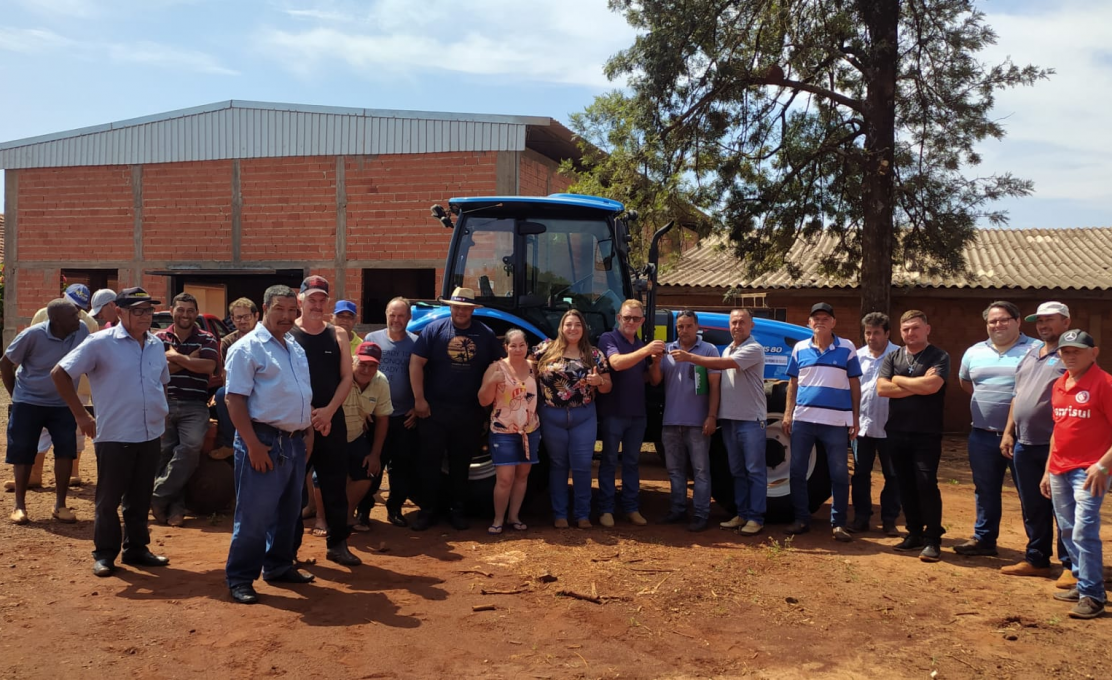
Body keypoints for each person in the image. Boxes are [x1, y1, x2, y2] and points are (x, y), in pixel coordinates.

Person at [51, 288, 171, 577]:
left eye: (149, 311)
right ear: (119, 312)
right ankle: (105, 553)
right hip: (115, 433)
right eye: (138, 311)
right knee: (109, 499)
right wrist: (81, 414)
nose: (145, 317)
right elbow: (60, 373)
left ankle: (137, 548)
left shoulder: (155, 345)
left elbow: (162, 381)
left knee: (140, 497)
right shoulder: (100, 343)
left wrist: (160, 411)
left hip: (150, 432)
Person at [223, 285, 316, 604]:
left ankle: (277, 566)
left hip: (294, 443)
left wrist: (307, 434)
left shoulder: (295, 347)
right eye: (280, 309)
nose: (288, 316)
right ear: (264, 309)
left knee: (288, 513)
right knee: (254, 515)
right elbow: (234, 400)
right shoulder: (248, 348)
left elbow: (303, 395)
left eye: (293, 311)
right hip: (262, 440)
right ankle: (240, 578)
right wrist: (252, 445)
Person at [409, 287, 502, 531]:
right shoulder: (434, 330)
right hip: (434, 410)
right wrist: (419, 399)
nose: (461, 311)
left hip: (469, 411)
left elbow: (498, 366)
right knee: (429, 462)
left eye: (465, 307)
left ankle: (457, 511)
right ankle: (428, 511)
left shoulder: (485, 334)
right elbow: (416, 363)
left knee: (461, 465)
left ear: (472, 309)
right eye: (456, 306)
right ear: (450, 307)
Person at [1000, 302, 1074, 585]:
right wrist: (1009, 432)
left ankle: (1071, 565)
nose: (1043, 326)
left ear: (1066, 322)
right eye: (1039, 321)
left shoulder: (1070, 355)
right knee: (1032, 504)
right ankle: (1037, 559)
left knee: (1062, 506)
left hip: (1057, 445)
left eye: (1050, 320)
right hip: (1024, 443)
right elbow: (1018, 396)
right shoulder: (1031, 354)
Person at [1040, 330, 1111, 620]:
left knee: (1084, 531)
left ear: (1093, 352)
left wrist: (1104, 466)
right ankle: (1082, 583)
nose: (1069, 355)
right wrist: (1047, 470)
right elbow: (1059, 430)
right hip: (1059, 469)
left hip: (1091, 470)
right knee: (1068, 530)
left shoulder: (1105, 384)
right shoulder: (1060, 384)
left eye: (1076, 351)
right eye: (1065, 351)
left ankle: (1093, 595)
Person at [289, 275, 359, 567]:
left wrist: (329, 411)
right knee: (292, 488)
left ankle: (338, 544)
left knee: (333, 485)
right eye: (311, 299)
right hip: (296, 423)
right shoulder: (288, 334)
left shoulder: (338, 335)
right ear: (300, 300)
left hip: (331, 420)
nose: (317, 305)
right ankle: (288, 551)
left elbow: (347, 378)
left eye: (322, 300)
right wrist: (308, 418)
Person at [954, 301, 1034, 557]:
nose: (998, 325)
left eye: (1004, 320)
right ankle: (985, 539)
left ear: (1018, 321)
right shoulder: (974, 351)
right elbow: (966, 382)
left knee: (1030, 493)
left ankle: (1036, 550)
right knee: (985, 489)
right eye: (992, 321)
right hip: (982, 434)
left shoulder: (1035, 349)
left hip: (1025, 438)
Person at [2, 299, 89, 525]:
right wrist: (17, 396)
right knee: (23, 451)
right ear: (56, 320)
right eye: (72, 315)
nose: (78, 319)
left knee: (66, 451)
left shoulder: (82, 331)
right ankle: (19, 506)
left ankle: (60, 505)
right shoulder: (32, 335)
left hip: (62, 403)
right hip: (29, 401)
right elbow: (5, 363)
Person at [782, 303, 861, 542]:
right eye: (815, 318)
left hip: (835, 422)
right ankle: (801, 519)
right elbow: (793, 384)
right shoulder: (799, 348)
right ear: (809, 323)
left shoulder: (847, 348)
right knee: (796, 471)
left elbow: (855, 385)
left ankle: (838, 523)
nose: (820, 322)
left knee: (838, 473)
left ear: (834, 323)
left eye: (826, 318)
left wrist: (855, 417)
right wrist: (788, 414)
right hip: (804, 420)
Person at [877, 310, 951, 563]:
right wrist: (915, 384)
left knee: (926, 484)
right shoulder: (893, 356)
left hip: (926, 434)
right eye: (906, 329)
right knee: (904, 484)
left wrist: (898, 380)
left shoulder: (939, 356)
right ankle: (914, 533)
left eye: (916, 328)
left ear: (927, 329)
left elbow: (932, 387)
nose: (911, 333)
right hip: (896, 431)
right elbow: (882, 388)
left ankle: (933, 540)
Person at [535, 309, 611, 528]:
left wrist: (599, 382)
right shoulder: (545, 348)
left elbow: (608, 386)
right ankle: (559, 514)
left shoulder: (594, 354)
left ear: (583, 328)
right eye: (568, 324)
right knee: (558, 465)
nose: (573, 329)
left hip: (583, 416)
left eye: (577, 324)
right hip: (552, 414)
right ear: (561, 327)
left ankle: (582, 515)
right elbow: (524, 363)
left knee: (582, 466)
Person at [151, 293, 219, 527]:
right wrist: (189, 360)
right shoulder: (158, 338)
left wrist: (176, 357)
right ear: (172, 310)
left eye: (190, 310)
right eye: (181, 310)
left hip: (195, 405)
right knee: (165, 454)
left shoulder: (206, 338)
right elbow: (155, 371)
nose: (185, 315)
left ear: (196, 313)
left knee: (190, 447)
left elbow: (209, 366)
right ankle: (174, 509)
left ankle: (156, 496)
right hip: (164, 402)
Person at [596, 299, 663, 527]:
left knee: (632, 462)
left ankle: (631, 508)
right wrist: (646, 351)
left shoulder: (640, 344)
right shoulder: (609, 339)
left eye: (636, 318)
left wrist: (656, 362)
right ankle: (606, 510)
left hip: (637, 414)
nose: (631, 322)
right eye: (627, 317)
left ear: (642, 321)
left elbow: (651, 380)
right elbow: (615, 363)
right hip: (613, 412)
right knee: (609, 460)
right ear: (618, 318)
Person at [658, 311, 721, 531]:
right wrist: (655, 361)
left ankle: (701, 514)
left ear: (697, 327)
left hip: (698, 423)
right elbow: (656, 379)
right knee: (675, 471)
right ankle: (678, 510)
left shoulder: (709, 350)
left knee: (701, 471)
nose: (683, 330)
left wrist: (711, 416)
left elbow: (714, 386)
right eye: (680, 326)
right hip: (671, 421)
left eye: (687, 326)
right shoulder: (667, 350)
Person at [363, 297, 419, 528]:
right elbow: (361, 375)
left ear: (409, 318)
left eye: (401, 315)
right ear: (386, 315)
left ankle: (394, 509)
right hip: (375, 417)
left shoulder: (417, 343)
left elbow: (425, 376)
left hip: (404, 417)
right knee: (371, 466)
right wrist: (362, 407)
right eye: (392, 315)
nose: (396, 320)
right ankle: (363, 510)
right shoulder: (371, 339)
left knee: (402, 468)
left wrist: (418, 406)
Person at [478, 329, 540, 534]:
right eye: (513, 345)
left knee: (523, 476)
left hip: (530, 430)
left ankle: (514, 516)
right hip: (503, 431)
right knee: (505, 478)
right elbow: (483, 400)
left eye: (521, 345)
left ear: (527, 346)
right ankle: (498, 519)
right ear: (505, 347)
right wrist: (490, 382)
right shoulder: (496, 368)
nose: (517, 349)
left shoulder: (533, 368)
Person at [849, 312, 901, 536]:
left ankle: (889, 520)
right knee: (861, 473)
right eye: (868, 333)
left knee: (893, 475)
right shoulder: (857, 357)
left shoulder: (900, 356)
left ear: (887, 333)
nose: (871, 337)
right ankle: (862, 517)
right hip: (862, 426)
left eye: (876, 333)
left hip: (891, 427)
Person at [341, 342, 393, 533]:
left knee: (367, 472)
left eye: (372, 365)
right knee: (324, 477)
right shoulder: (339, 376)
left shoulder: (381, 382)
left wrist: (375, 454)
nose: (366, 369)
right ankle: (322, 519)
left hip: (356, 435)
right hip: (331, 436)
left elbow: (382, 419)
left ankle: (345, 515)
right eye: (362, 364)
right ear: (353, 360)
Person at [215, 297, 259, 452]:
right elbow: (226, 374)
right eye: (238, 317)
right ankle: (230, 443)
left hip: (263, 386)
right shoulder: (228, 342)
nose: (242, 321)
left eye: (246, 316)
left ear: (256, 316)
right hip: (240, 386)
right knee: (222, 395)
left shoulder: (266, 338)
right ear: (232, 319)